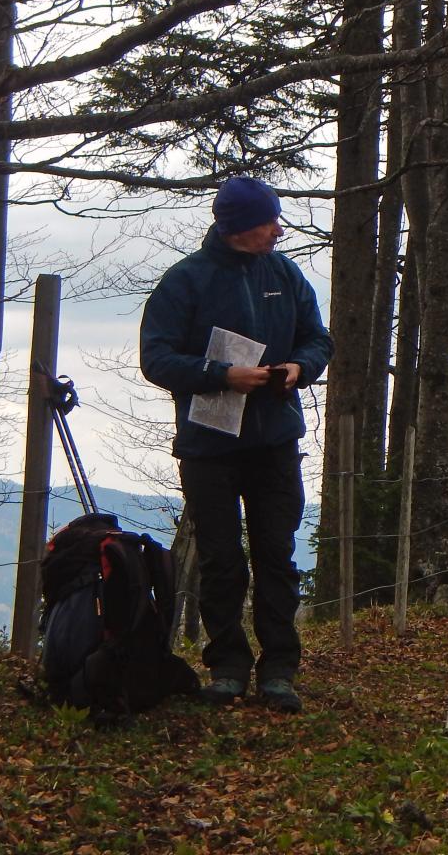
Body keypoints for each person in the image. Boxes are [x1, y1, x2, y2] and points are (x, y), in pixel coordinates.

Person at [140, 176, 334, 713]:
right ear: (240, 226)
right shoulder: (185, 280)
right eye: (269, 221)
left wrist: (299, 368)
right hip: (208, 446)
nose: (278, 230)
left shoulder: (285, 273)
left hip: (275, 441)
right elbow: (156, 359)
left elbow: (319, 339)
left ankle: (279, 671)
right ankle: (227, 667)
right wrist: (222, 375)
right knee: (221, 560)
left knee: (277, 556)